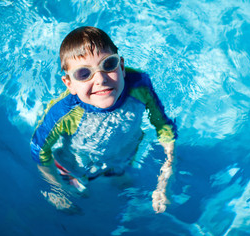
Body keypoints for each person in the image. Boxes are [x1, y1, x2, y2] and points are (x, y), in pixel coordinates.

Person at [30, 26, 177, 213]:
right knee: (78, 198)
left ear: (122, 67)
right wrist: (55, 188)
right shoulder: (64, 112)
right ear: (69, 84)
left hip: (122, 158)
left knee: (124, 187)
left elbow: (164, 127)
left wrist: (164, 180)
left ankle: (115, 175)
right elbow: (39, 149)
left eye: (108, 65)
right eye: (83, 74)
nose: (100, 79)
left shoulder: (140, 86)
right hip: (75, 165)